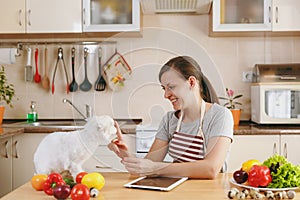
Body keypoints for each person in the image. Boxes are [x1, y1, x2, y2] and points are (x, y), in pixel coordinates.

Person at [108, 56, 234, 179]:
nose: (166, 95)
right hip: (177, 189)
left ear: (191, 82)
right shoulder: (170, 120)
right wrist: (126, 154)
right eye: (164, 88)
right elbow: (147, 167)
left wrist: (157, 169)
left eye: (171, 87)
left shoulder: (220, 116)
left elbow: (210, 169)